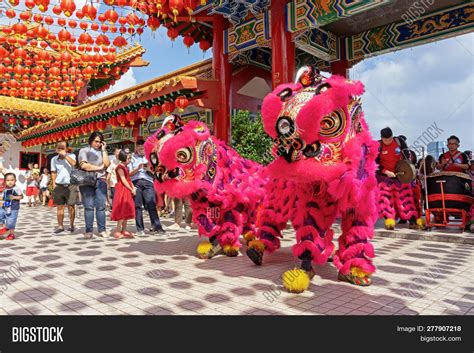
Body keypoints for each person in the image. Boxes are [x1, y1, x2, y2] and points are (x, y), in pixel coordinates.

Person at [375, 127, 421, 230]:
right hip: (384, 176)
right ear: (381, 138)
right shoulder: (377, 146)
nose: (388, 141)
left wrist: (404, 170)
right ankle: (389, 221)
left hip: (400, 174)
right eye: (385, 140)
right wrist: (385, 172)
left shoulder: (399, 142)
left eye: (390, 139)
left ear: (392, 136)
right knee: (385, 199)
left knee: (405, 198)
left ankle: (412, 220)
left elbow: (407, 157)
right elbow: (375, 164)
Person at [129, 138, 165, 236]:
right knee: (138, 206)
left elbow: (156, 171)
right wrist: (138, 168)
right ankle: (140, 229)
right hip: (136, 182)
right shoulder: (131, 158)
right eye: (140, 149)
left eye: (143, 149)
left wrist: (149, 168)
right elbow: (129, 174)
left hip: (148, 181)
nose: (142, 151)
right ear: (136, 148)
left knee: (151, 204)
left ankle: (157, 227)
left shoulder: (150, 157)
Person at [78, 131, 110, 239]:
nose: (98, 144)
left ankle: (102, 230)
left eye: (100, 142)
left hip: (101, 180)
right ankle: (89, 230)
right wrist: (99, 168)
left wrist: (104, 150)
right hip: (87, 180)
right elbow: (84, 166)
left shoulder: (102, 152)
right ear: (91, 140)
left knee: (101, 207)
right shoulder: (84, 150)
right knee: (89, 207)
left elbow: (107, 164)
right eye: (96, 141)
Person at [51, 141, 77, 234]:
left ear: (67, 148)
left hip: (71, 185)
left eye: (62, 147)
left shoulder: (72, 156)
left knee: (71, 206)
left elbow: (74, 163)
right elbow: (53, 172)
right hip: (59, 185)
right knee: (59, 207)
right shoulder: (54, 159)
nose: (60, 149)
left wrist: (65, 155)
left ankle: (71, 225)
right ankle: (60, 226)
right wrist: (54, 184)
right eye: (59, 147)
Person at [111, 150, 136, 239]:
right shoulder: (120, 167)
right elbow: (123, 179)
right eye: (128, 158)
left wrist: (133, 187)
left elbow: (128, 178)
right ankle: (117, 230)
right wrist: (131, 188)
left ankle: (124, 230)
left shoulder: (126, 167)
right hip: (122, 189)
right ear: (123, 158)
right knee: (122, 209)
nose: (130, 160)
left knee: (126, 209)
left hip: (127, 188)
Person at [0, 173, 23, 240]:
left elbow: (21, 196)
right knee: (1, 217)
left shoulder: (16, 189)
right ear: (4, 181)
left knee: (11, 221)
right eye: (8, 180)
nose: (10, 182)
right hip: (5, 207)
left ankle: (11, 234)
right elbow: (4, 197)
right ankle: (3, 231)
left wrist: (14, 197)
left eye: (12, 180)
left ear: (15, 181)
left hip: (13, 208)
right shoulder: (5, 189)